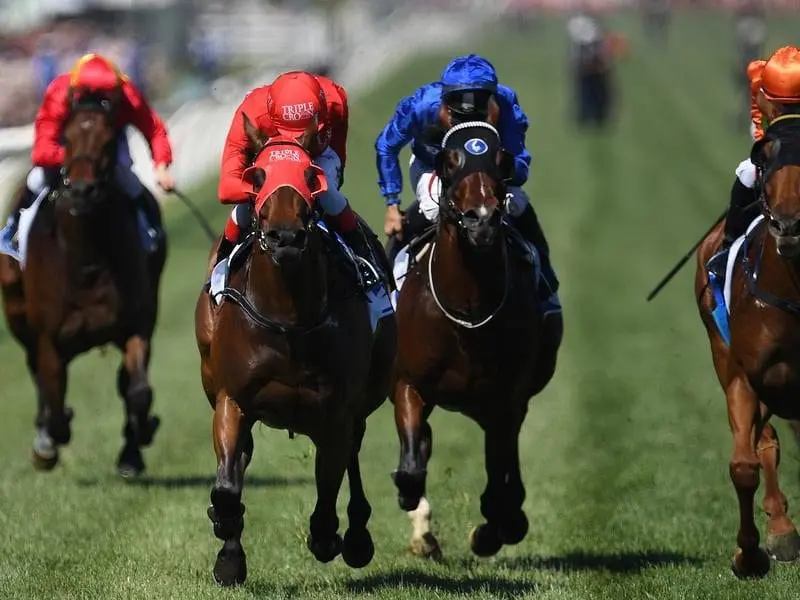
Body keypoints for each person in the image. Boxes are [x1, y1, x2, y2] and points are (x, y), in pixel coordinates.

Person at [374, 53, 558, 308]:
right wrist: (392, 204)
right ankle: (389, 292)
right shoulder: (420, 105)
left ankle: (546, 289)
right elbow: (386, 146)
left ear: (493, 100)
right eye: (458, 115)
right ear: (444, 102)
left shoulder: (505, 103)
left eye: (479, 115)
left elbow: (520, 164)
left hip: (491, 169)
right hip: (435, 166)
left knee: (518, 205)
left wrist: (502, 172)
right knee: (430, 207)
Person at [0, 53, 174, 259]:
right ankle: (11, 231)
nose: (99, 102)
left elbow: (153, 129)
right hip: (69, 150)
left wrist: (162, 165)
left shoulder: (127, 95)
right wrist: (77, 157)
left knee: (131, 184)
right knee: (36, 179)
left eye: (106, 98)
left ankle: (150, 234)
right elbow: (41, 151)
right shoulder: (59, 92)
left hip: (106, 147)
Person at [216, 70, 375, 270]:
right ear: (272, 118)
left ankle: (366, 260)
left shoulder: (336, 100)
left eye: (302, 134)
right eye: (290, 133)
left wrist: (314, 187)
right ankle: (221, 268)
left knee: (329, 194)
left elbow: (338, 157)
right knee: (243, 210)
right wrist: (271, 189)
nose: (297, 142)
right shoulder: (251, 113)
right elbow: (226, 189)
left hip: (318, 156)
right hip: (269, 161)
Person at [708, 45, 800, 277]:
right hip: (779, 148)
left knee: (746, 173)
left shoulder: (765, 90)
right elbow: (758, 129)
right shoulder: (761, 94)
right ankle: (728, 247)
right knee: (747, 172)